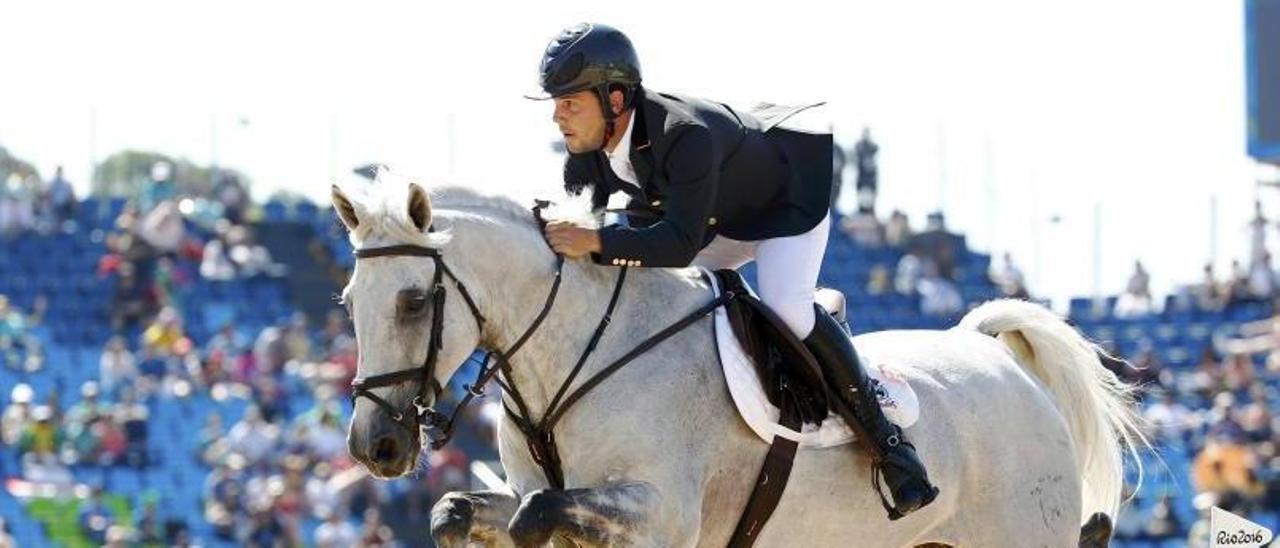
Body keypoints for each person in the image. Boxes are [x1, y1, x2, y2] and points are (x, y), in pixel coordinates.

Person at [530, 22, 937, 518]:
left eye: (569, 102)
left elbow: (676, 244)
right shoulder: (594, 149)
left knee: (786, 304)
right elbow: (624, 235)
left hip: (781, 210)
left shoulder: (683, 135)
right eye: (556, 103)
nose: (558, 116)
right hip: (715, 220)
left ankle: (890, 442)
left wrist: (595, 240)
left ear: (614, 99)